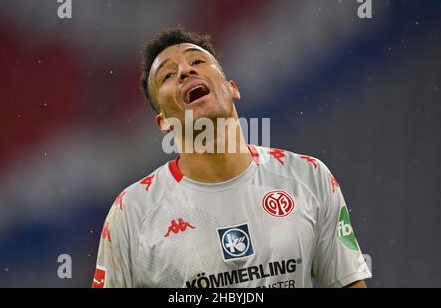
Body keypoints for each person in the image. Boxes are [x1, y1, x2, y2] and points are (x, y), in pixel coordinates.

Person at [92, 26, 372, 288]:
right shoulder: (132, 212)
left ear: (232, 88)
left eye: (198, 62)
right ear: (163, 122)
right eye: (167, 75)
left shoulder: (308, 177)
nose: (185, 71)